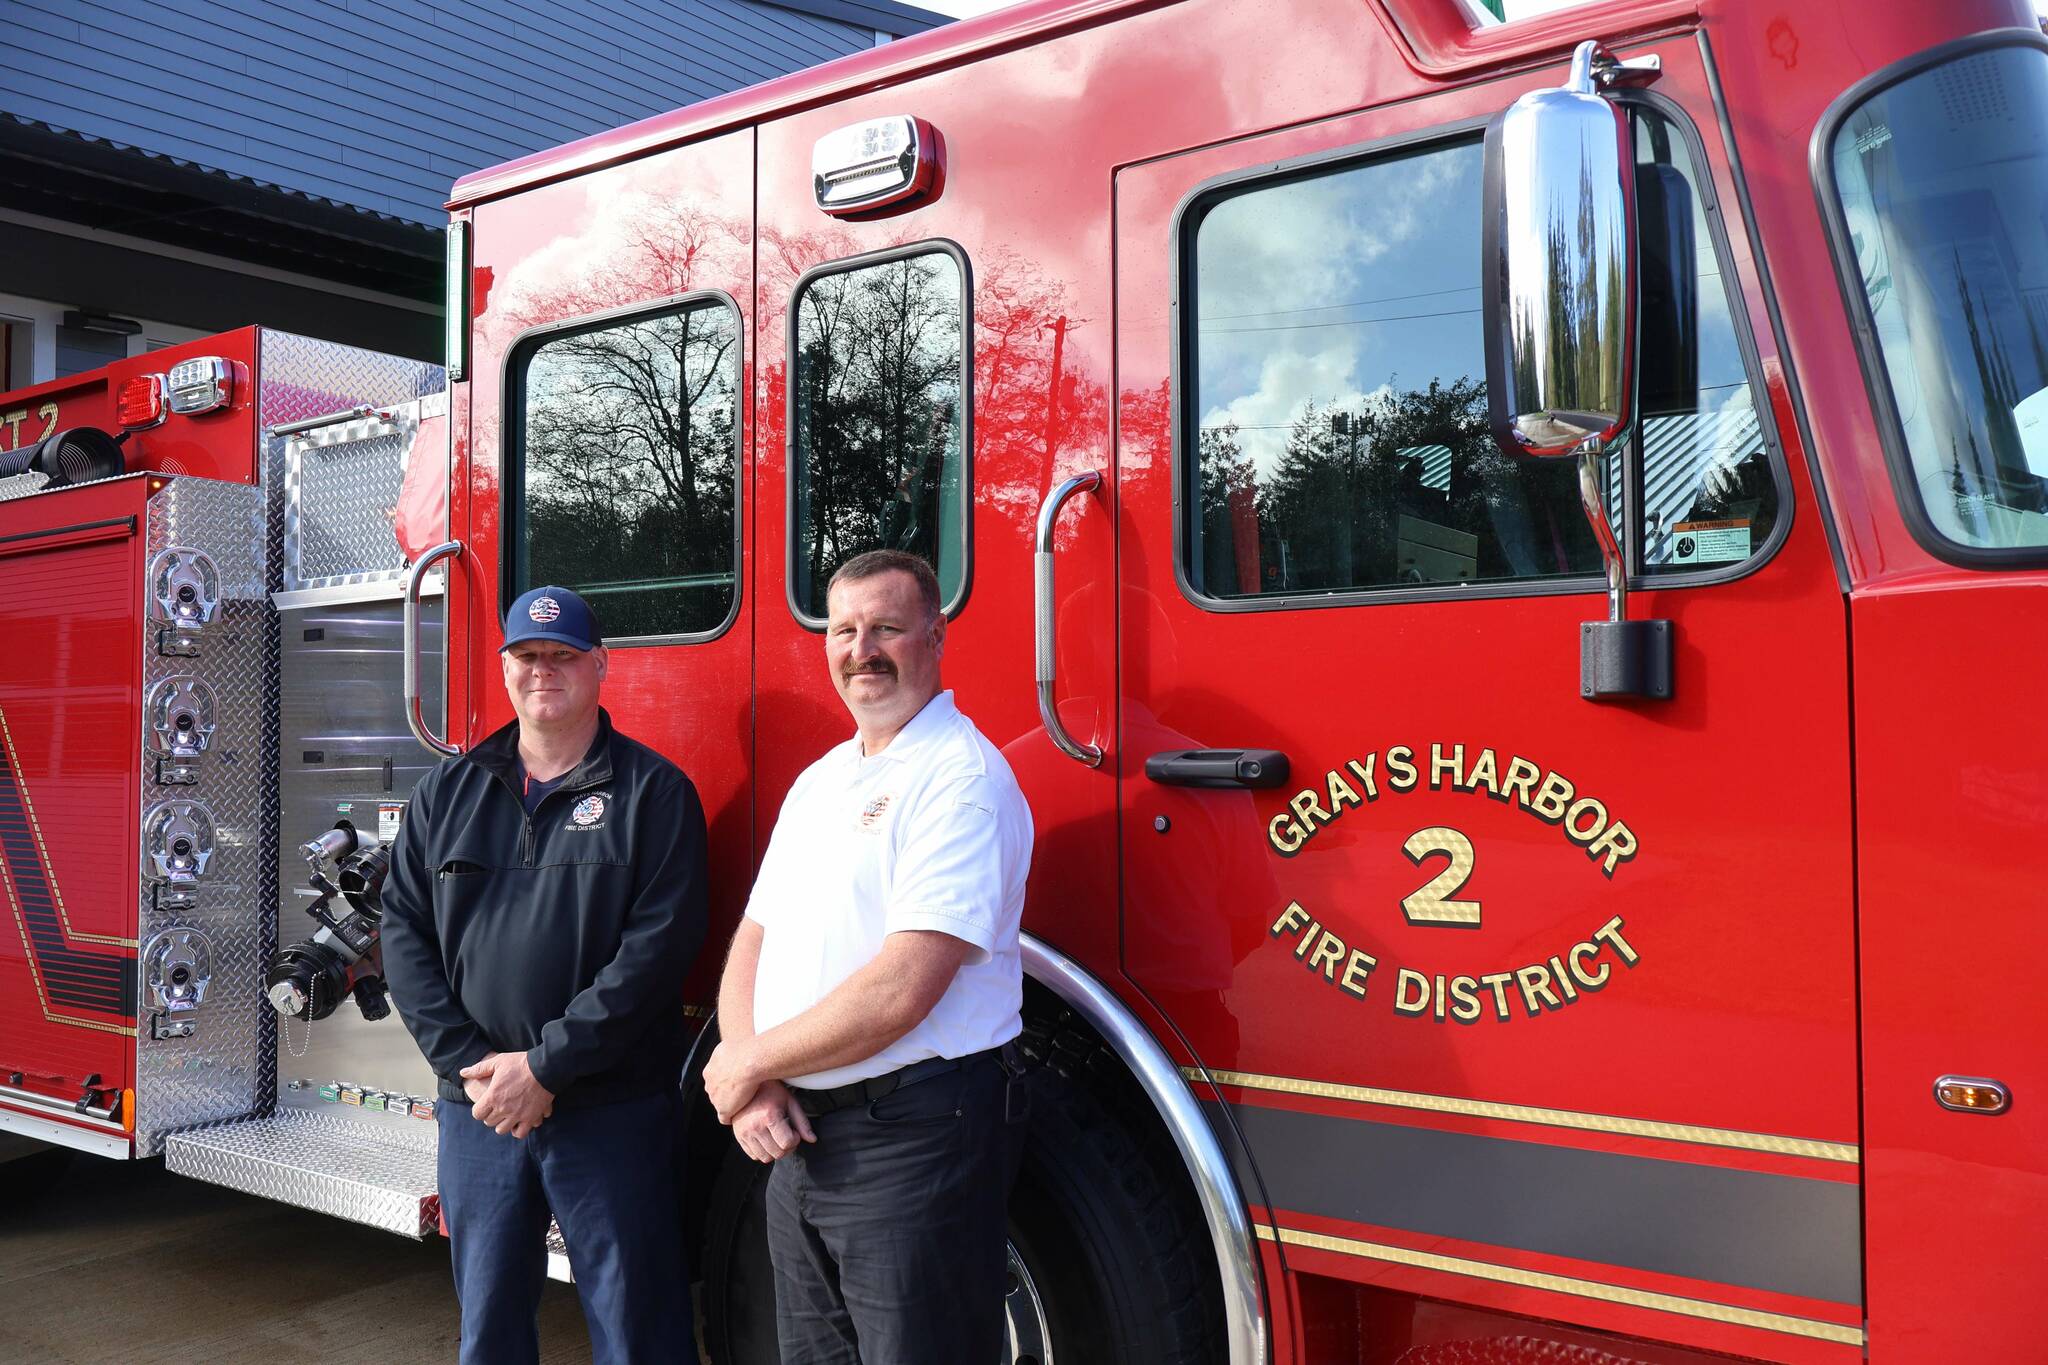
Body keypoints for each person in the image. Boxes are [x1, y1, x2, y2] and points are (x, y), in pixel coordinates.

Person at [705, 548, 1034, 1364]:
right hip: (801, 1138)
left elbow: (903, 989)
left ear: (935, 634)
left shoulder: (961, 778)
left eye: (886, 627)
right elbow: (756, 935)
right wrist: (754, 1078)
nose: (863, 649)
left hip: (913, 1141)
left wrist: (747, 1063)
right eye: (845, 629)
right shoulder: (820, 780)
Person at [381, 584, 708, 1365]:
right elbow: (403, 931)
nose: (543, 670)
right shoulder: (447, 794)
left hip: (610, 1110)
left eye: (563, 656)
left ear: (600, 666)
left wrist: (549, 1067)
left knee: (639, 1329)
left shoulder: (655, 795)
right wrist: (476, 1069)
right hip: (482, 1111)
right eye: (528, 655)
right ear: (503, 668)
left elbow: (657, 954)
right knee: (488, 1328)